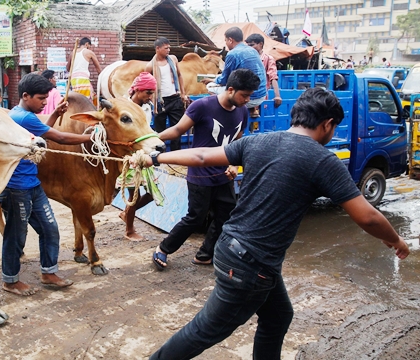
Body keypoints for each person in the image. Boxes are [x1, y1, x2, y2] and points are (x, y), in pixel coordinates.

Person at [134, 87, 410, 360]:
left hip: (231, 247)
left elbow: (202, 156)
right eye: (334, 127)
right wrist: (395, 240)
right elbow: (368, 216)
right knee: (205, 331)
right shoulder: (323, 160)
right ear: (327, 124)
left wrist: (156, 158)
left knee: (278, 316)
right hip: (251, 265)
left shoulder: (258, 141)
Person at [151, 69, 257, 271]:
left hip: (224, 176)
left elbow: (238, 138)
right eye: (244, 95)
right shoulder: (202, 106)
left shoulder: (242, 111)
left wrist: (234, 164)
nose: (247, 100)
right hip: (200, 174)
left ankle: (205, 254)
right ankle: (163, 248)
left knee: (225, 216)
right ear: (231, 89)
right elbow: (177, 130)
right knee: (195, 218)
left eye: (250, 96)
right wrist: (152, 139)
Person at [0, 73, 92, 296]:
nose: (43, 102)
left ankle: (48, 273)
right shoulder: (23, 117)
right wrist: (91, 137)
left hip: (32, 183)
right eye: (41, 98)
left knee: (50, 228)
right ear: (25, 96)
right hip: (16, 188)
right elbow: (59, 138)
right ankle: (10, 281)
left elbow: (41, 135)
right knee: (15, 235)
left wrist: (53, 115)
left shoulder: (22, 115)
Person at [117, 72, 161, 241]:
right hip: (129, 157)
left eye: (152, 93)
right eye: (148, 92)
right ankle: (129, 230)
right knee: (133, 195)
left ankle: (126, 212)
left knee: (151, 194)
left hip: (144, 155)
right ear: (137, 90)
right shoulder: (123, 107)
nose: (150, 97)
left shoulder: (147, 107)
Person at [202, 27, 266, 118]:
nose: (226, 43)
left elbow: (224, 79)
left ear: (230, 40)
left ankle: (227, 112)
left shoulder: (232, 54)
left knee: (210, 87)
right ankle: (252, 110)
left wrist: (213, 81)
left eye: (226, 40)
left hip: (247, 98)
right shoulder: (252, 50)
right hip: (261, 95)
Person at [145, 37, 190, 151]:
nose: (168, 50)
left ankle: (176, 155)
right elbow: (146, 84)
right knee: (160, 131)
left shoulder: (173, 59)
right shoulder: (150, 66)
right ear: (157, 48)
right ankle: (160, 157)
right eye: (166, 48)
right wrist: (150, 99)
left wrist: (183, 94)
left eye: (169, 47)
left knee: (178, 129)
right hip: (160, 101)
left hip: (175, 98)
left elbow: (179, 75)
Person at [245, 34, 282, 109]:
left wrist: (277, 96)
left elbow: (273, 77)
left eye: (252, 45)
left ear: (261, 44)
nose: (250, 48)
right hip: (247, 95)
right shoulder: (246, 58)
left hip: (261, 96)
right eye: (248, 45)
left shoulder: (268, 59)